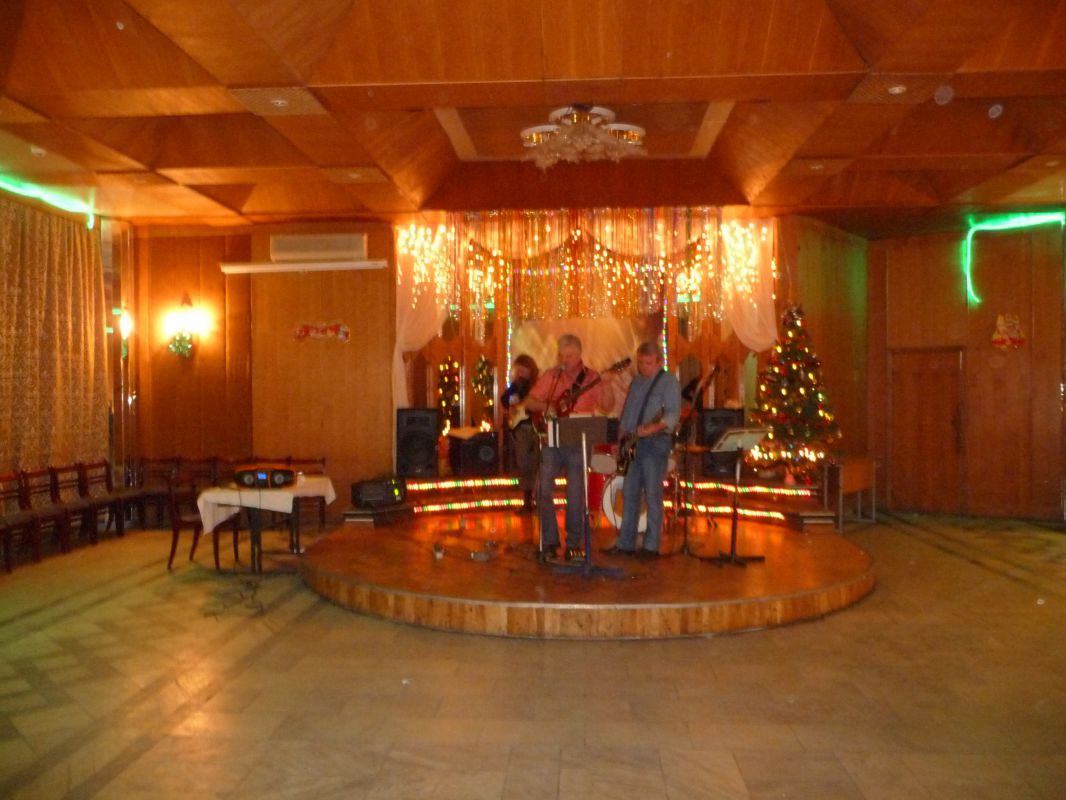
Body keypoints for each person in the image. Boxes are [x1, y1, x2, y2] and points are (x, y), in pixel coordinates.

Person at [523, 334, 614, 560]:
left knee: (575, 494)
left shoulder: (592, 377)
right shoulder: (552, 376)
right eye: (561, 355)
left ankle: (574, 543)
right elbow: (530, 402)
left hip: (577, 443)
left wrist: (607, 384)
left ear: (580, 354)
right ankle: (549, 541)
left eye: (569, 356)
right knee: (543, 488)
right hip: (552, 441)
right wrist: (548, 406)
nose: (564, 360)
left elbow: (607, 406)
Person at [603, 341, 681, 560]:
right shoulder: (637, 382)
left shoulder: (669, 382)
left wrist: (650, 429)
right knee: (629, 492)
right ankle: (626, 543)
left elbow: (672, 416)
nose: (643, 367)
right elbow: (628, 412)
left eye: (648, 363)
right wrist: (621, 438)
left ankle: (651, 546)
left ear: (659, 362)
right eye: (640, 363)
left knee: (653, 494)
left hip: (654, 444)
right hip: (632, 443)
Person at [500, 354, 540, 512]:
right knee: (524, 463)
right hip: (521, 428)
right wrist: (513, 403)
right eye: (519, 370)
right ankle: (527, 501)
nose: (521, 373)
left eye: (524, 370)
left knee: (535, 463)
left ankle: (535, 499)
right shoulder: (516, 385)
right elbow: (504, 399)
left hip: (536, 427)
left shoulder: (537, 384)